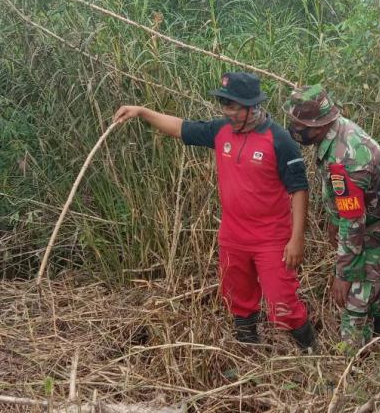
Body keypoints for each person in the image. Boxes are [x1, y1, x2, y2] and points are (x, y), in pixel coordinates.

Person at [113, 71, 317, 352]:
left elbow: (299, 189)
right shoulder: (220, 131)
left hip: (271, 238)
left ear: (252, 106)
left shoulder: (279, 140)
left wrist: (297, 239)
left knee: (282, 301)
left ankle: (310, 355)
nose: (227, 112)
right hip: (233, 236)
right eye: (224, 105)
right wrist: (142, 111)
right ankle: (249, 353)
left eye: (233, 106)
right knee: (238, 297)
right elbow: (180, 127)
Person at [284, 84, 380, 350]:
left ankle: (350, 363)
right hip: (367, 223)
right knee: (372, 289)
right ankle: (377, 345)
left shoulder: (346, 157)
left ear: (319, 125)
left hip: (378, 230)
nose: (295, 130)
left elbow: (353, 221)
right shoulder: (334, 133)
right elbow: (345, 208)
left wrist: (344, 273)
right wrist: (333, 223)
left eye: (299, 125)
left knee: (354, 299)